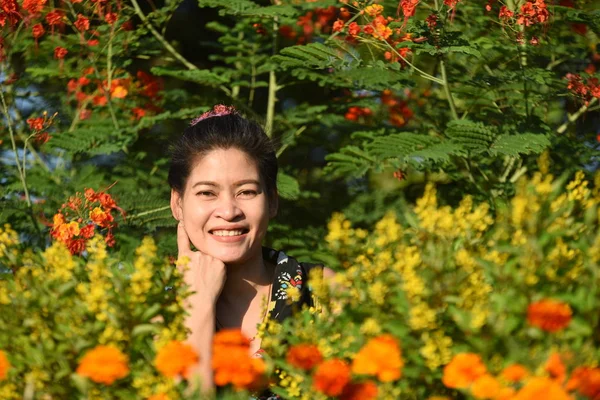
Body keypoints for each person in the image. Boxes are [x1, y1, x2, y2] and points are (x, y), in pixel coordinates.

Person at [167, 105, 334, 392]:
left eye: (246, 191)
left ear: (272, 201)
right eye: (207, 193)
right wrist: (197, 305)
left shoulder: (324, 292)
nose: (229, 211)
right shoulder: (146, 308)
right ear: (177, 204)